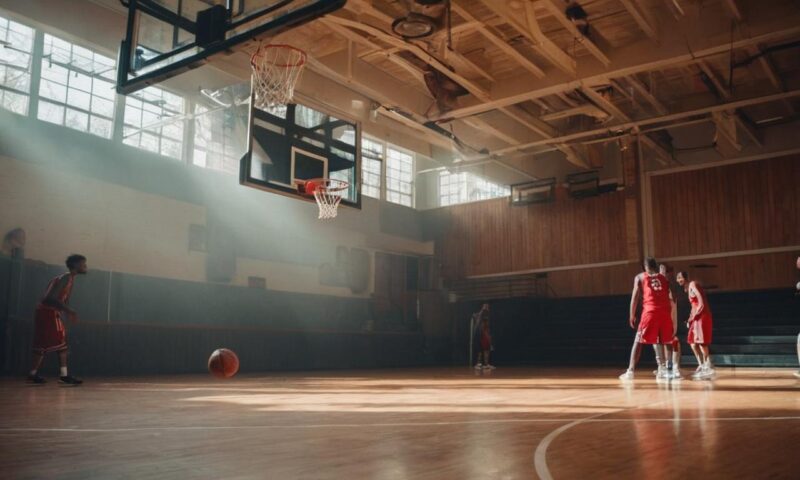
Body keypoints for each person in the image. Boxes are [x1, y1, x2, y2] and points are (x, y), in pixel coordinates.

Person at [27, 254, 87, 385]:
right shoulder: (66, 277)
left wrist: (67, 313)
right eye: (84, 264)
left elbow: (61, 299)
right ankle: (64, 377)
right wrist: (69, 311)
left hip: (44, 312)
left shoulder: (67, 278)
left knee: (42, 344)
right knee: (62, 344)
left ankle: (33, 374)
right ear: (76, 265)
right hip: (48, 312)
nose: (86, 266)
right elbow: (50, 298)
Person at [619, 257, 674, 380]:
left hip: (651, 311)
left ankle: (630, 371)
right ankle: (668, 369)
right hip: (665, 312)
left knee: (638, 341)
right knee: (666, 342)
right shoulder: (664, 278)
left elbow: (635, 297)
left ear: (645, 267)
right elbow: (670, 293)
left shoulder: (640, 277)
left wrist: (632, 315)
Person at [676, 271, 715, 379]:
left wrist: (696, 315)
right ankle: (701, 365)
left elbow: (701, 302)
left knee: (702, 343)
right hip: (696, 317)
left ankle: (708, 365)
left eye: (680, 277)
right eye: (677, 278)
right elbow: (694, 305)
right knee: (692, 343)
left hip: (702, 316)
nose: (678, 280)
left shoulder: (692, 284)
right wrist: (690, 319)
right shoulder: (687, 288)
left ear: (685, 278)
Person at [659, 263, 682, 379]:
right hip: (663, 315)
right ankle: (667, 366)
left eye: (664, 271)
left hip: (670, 314)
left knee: (673, 340)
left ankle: (676, 367)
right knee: (664, 342)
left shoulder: (670, 285)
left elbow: (671, 300)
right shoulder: (660, 284)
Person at [473, 303, 495, 370]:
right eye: (485, 306)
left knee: (486, 350)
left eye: (487, 306)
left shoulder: (484, 316)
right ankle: (478, 364)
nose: (487, 307)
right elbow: (482, 327)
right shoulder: (482, 315)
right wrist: (488, 337)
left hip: (483, 335)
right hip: (481, 335)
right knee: (481, 350)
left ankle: (485, 364)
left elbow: (486, 327)